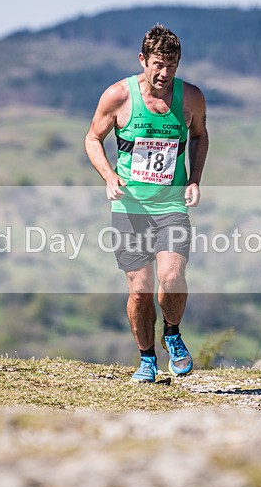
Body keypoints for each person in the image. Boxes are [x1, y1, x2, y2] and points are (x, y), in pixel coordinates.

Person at [85, 24, 209, 383]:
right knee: (139, 292)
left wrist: (195, 178)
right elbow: (92, 138)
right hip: (130, 208)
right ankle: (147, 359)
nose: (164, 73)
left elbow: (200, 136)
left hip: (171, 206)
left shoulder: (191, 98)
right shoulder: (118, 96)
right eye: (158, 64)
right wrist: (109, 176)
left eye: (172, 65)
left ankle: (172, 332)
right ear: (142, 59)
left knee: (171, 277)